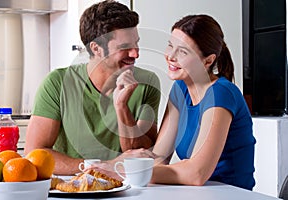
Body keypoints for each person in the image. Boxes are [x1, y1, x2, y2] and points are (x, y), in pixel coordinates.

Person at [93, 14, 256, 190]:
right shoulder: (180, 89)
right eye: (170, 46)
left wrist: (125, 171)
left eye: (183, 51)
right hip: (200, 193)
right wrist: (113, 164)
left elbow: (197, 174)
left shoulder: (221, 93)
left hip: (231, 194)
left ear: (208, 60)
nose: (171, 56)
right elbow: (159, 158)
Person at [24, 0, 161, 175]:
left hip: (128, 188)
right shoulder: (57, 83)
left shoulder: (147, 82)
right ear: (96, 48)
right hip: (72, 189)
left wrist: (122, 107)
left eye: (136, 43)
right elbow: (33, 155)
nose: (135, 53)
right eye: (125, 47)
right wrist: (102, 166)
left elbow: (143, 154)